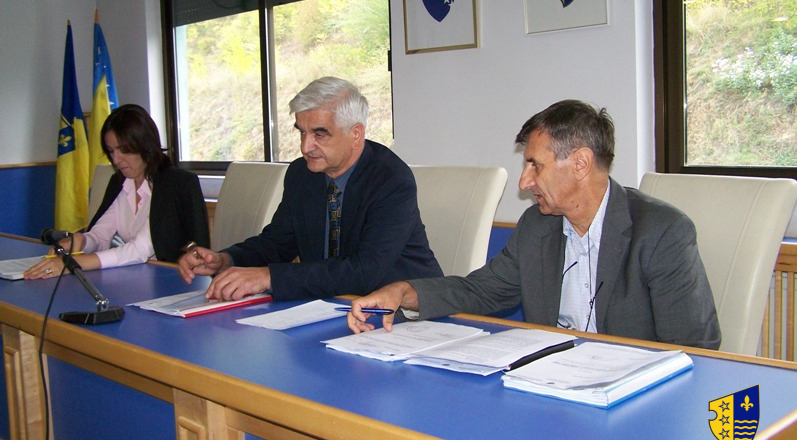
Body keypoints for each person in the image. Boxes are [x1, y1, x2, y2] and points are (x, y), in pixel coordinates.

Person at [347, 99, 722, 350]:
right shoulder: (538, 226)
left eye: (535, 165)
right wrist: (404, 292)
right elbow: (481, 291)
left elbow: (694, 349)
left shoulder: (661, 232)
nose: (524, 182)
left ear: (580, 164)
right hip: (550, 383)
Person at [177, 76, 442, 301]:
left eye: (319, 134)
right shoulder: (302, 174)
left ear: (356, 134)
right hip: (330, 304)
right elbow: (277, 243)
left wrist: (268, 277)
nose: (305, 147)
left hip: (404, 311)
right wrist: (226, 260)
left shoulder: (390, 180)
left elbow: (364, 271)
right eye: (301, 132)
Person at [25, 104, 209, 278]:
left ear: (145, 145)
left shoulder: (174, 184)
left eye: (124, 150)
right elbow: (101, 235)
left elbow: (140, 250)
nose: (116, 159)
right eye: (111, 151)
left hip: (173, 280)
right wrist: (81, 241)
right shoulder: (120, 182)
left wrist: (72, 263)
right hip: (137, 277)